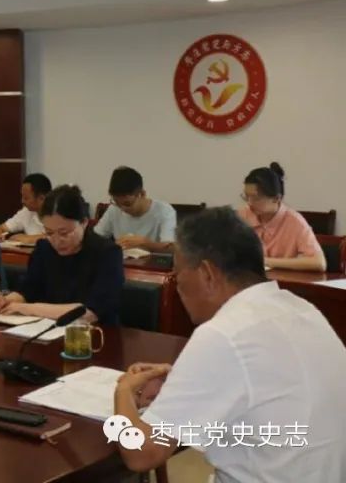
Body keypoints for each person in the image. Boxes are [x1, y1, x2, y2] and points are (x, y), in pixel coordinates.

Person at [112, 207, 346, 480]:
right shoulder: (301, 309)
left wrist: (124, 391)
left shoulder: (224, 333)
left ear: (207, 274)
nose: (177, 287)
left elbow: (141, 454)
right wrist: (184, 380)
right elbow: (266, 384)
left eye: (179, 275)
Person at [0, 185, 123, 324]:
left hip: (96, 332)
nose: (57, 241)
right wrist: (7, 300)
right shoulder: (44, 249)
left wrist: (28, 308)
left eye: (64, 233)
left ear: (84, 222)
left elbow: (90, 312)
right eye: (49, 232)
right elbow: (28, 291)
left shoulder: (108, 253)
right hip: (45, 329)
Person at [237, 162, 326, 272]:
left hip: (281, 281)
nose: (249, 203)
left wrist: (266, 261)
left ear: (276, 198)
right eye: (246, 197)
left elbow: (319, 263)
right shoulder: (243, 215)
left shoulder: (295, 222)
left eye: (256, 198)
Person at [94, 167, 176, 253]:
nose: (122, 209)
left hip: (151, 260)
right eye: (117, 203)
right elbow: (95, 238)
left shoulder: (164, 211)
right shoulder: (114, 209)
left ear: (142, 194)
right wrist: (112, 246)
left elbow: (171, 248)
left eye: (127, 204)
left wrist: (146, 244)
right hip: (121, 259)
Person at [0, 173, 52, 244]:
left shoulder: (58, 212)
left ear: (41, 198)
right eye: (22, 196)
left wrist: (29, 239)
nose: (22, 201)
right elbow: (0, 228)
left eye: (26, 198)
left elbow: (55, 236)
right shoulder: (26, 212)